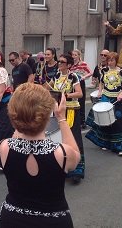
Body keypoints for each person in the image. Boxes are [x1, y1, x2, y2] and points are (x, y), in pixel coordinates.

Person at [0, 83, 80, 228]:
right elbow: (76, 156)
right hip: (53, 222)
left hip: (12, 220)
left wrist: (20, 116)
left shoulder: (4, 147)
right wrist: (61, 118)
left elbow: (17, 134)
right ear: (48, 115)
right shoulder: (62, 154)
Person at [48, 54, 84, 183]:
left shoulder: (73, 77)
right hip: (58, 110)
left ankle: (77, 171)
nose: (59, 63)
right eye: (59, 61)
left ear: (69, 65)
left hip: (71, 110)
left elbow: (80, 93)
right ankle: (62, 166)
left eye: (62, 62)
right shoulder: (57, 75)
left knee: (73, 137)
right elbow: (48, 87)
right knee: (59, 138)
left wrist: (66, 95)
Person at [85, 52, 122, 156]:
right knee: (105, 121)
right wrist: (100, 92)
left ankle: (119, 147)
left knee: (118, 122)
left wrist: (121, 94)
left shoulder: (121, 72)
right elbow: (101, 83)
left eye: (112, 60)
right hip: (106, 97)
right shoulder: (104, 71)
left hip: (117, 99)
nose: (109, 62)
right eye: (109, 60)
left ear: (116, 61)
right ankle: (105, 142)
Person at [86, 50, 109, 128]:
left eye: (105, 55)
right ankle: (97, 123)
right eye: (101, 54)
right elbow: (95, 75)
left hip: (109, 90)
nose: (103, 56)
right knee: (97, 107)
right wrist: (93, 80)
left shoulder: (110, 67)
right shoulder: (98, 66)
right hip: (100, 88)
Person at [70, 49, 93, 129]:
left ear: (79, 56)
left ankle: (82, 121)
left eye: (75, 55)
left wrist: (84, 77)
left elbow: (90, 72)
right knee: (74, 102)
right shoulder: (71, 65)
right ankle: (75, 120)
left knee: (81, 101)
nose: (74, 57)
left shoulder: (83, 64)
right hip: (73, 84)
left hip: (80, 83)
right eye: (73, 55)